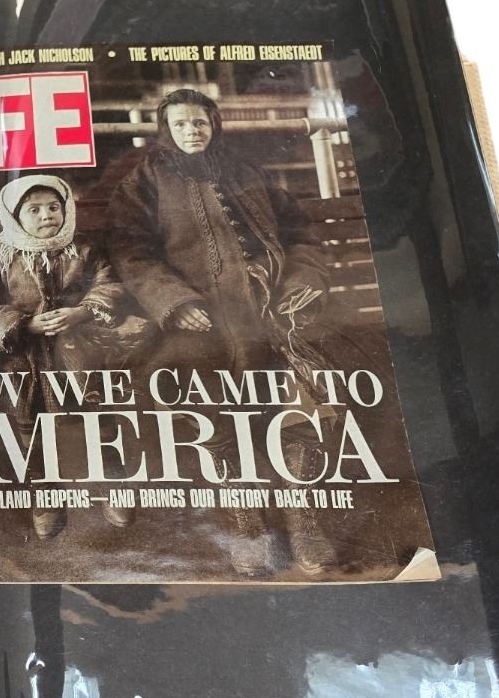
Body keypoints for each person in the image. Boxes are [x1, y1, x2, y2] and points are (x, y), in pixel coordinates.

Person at [107, 88, 336, 575]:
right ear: (166, 129)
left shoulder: (246, 172)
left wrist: (301, 282)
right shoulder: (143, 181)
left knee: (303, 392)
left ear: (214, 124)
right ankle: (246, 521)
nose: (192, 131)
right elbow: (130, 252)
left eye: (200, 121)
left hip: (269, 307)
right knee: (200, 396)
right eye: (181, 123)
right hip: (199, 317)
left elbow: (299, 234)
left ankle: (302, 517)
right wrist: (174, 301)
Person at [0, 174, 145, 538]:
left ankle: (113, 476)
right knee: (26, 410)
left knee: (99, 405)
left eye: (54, 207)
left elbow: (109, 283)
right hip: (21, 347)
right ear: (14, 216)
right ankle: (43, 488)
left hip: (81, 339)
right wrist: (24, 325)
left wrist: (82, 312)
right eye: (34, 210)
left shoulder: (84, 249)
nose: (47, 215)